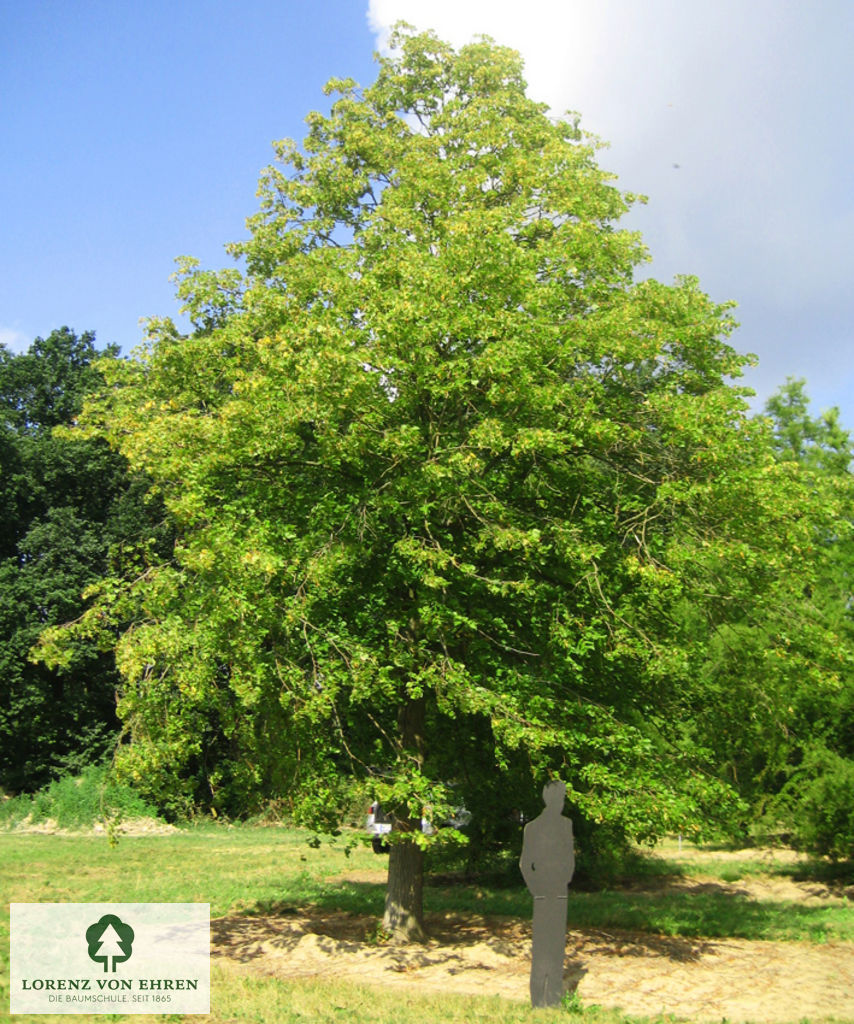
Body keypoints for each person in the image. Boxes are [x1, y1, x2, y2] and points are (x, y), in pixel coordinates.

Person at [519, 779, 575, 1007]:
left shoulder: (540, 826)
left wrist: (538, 886)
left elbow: (526, 864)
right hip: (550, 890)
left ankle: (545, 998)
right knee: (550, 943)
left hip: (550, 890)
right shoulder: (546, 826)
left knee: (547, 943)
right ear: (552, 799)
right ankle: (547, 999)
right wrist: (542, 886)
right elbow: (526, 863)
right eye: (560, 798)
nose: (561, 803)